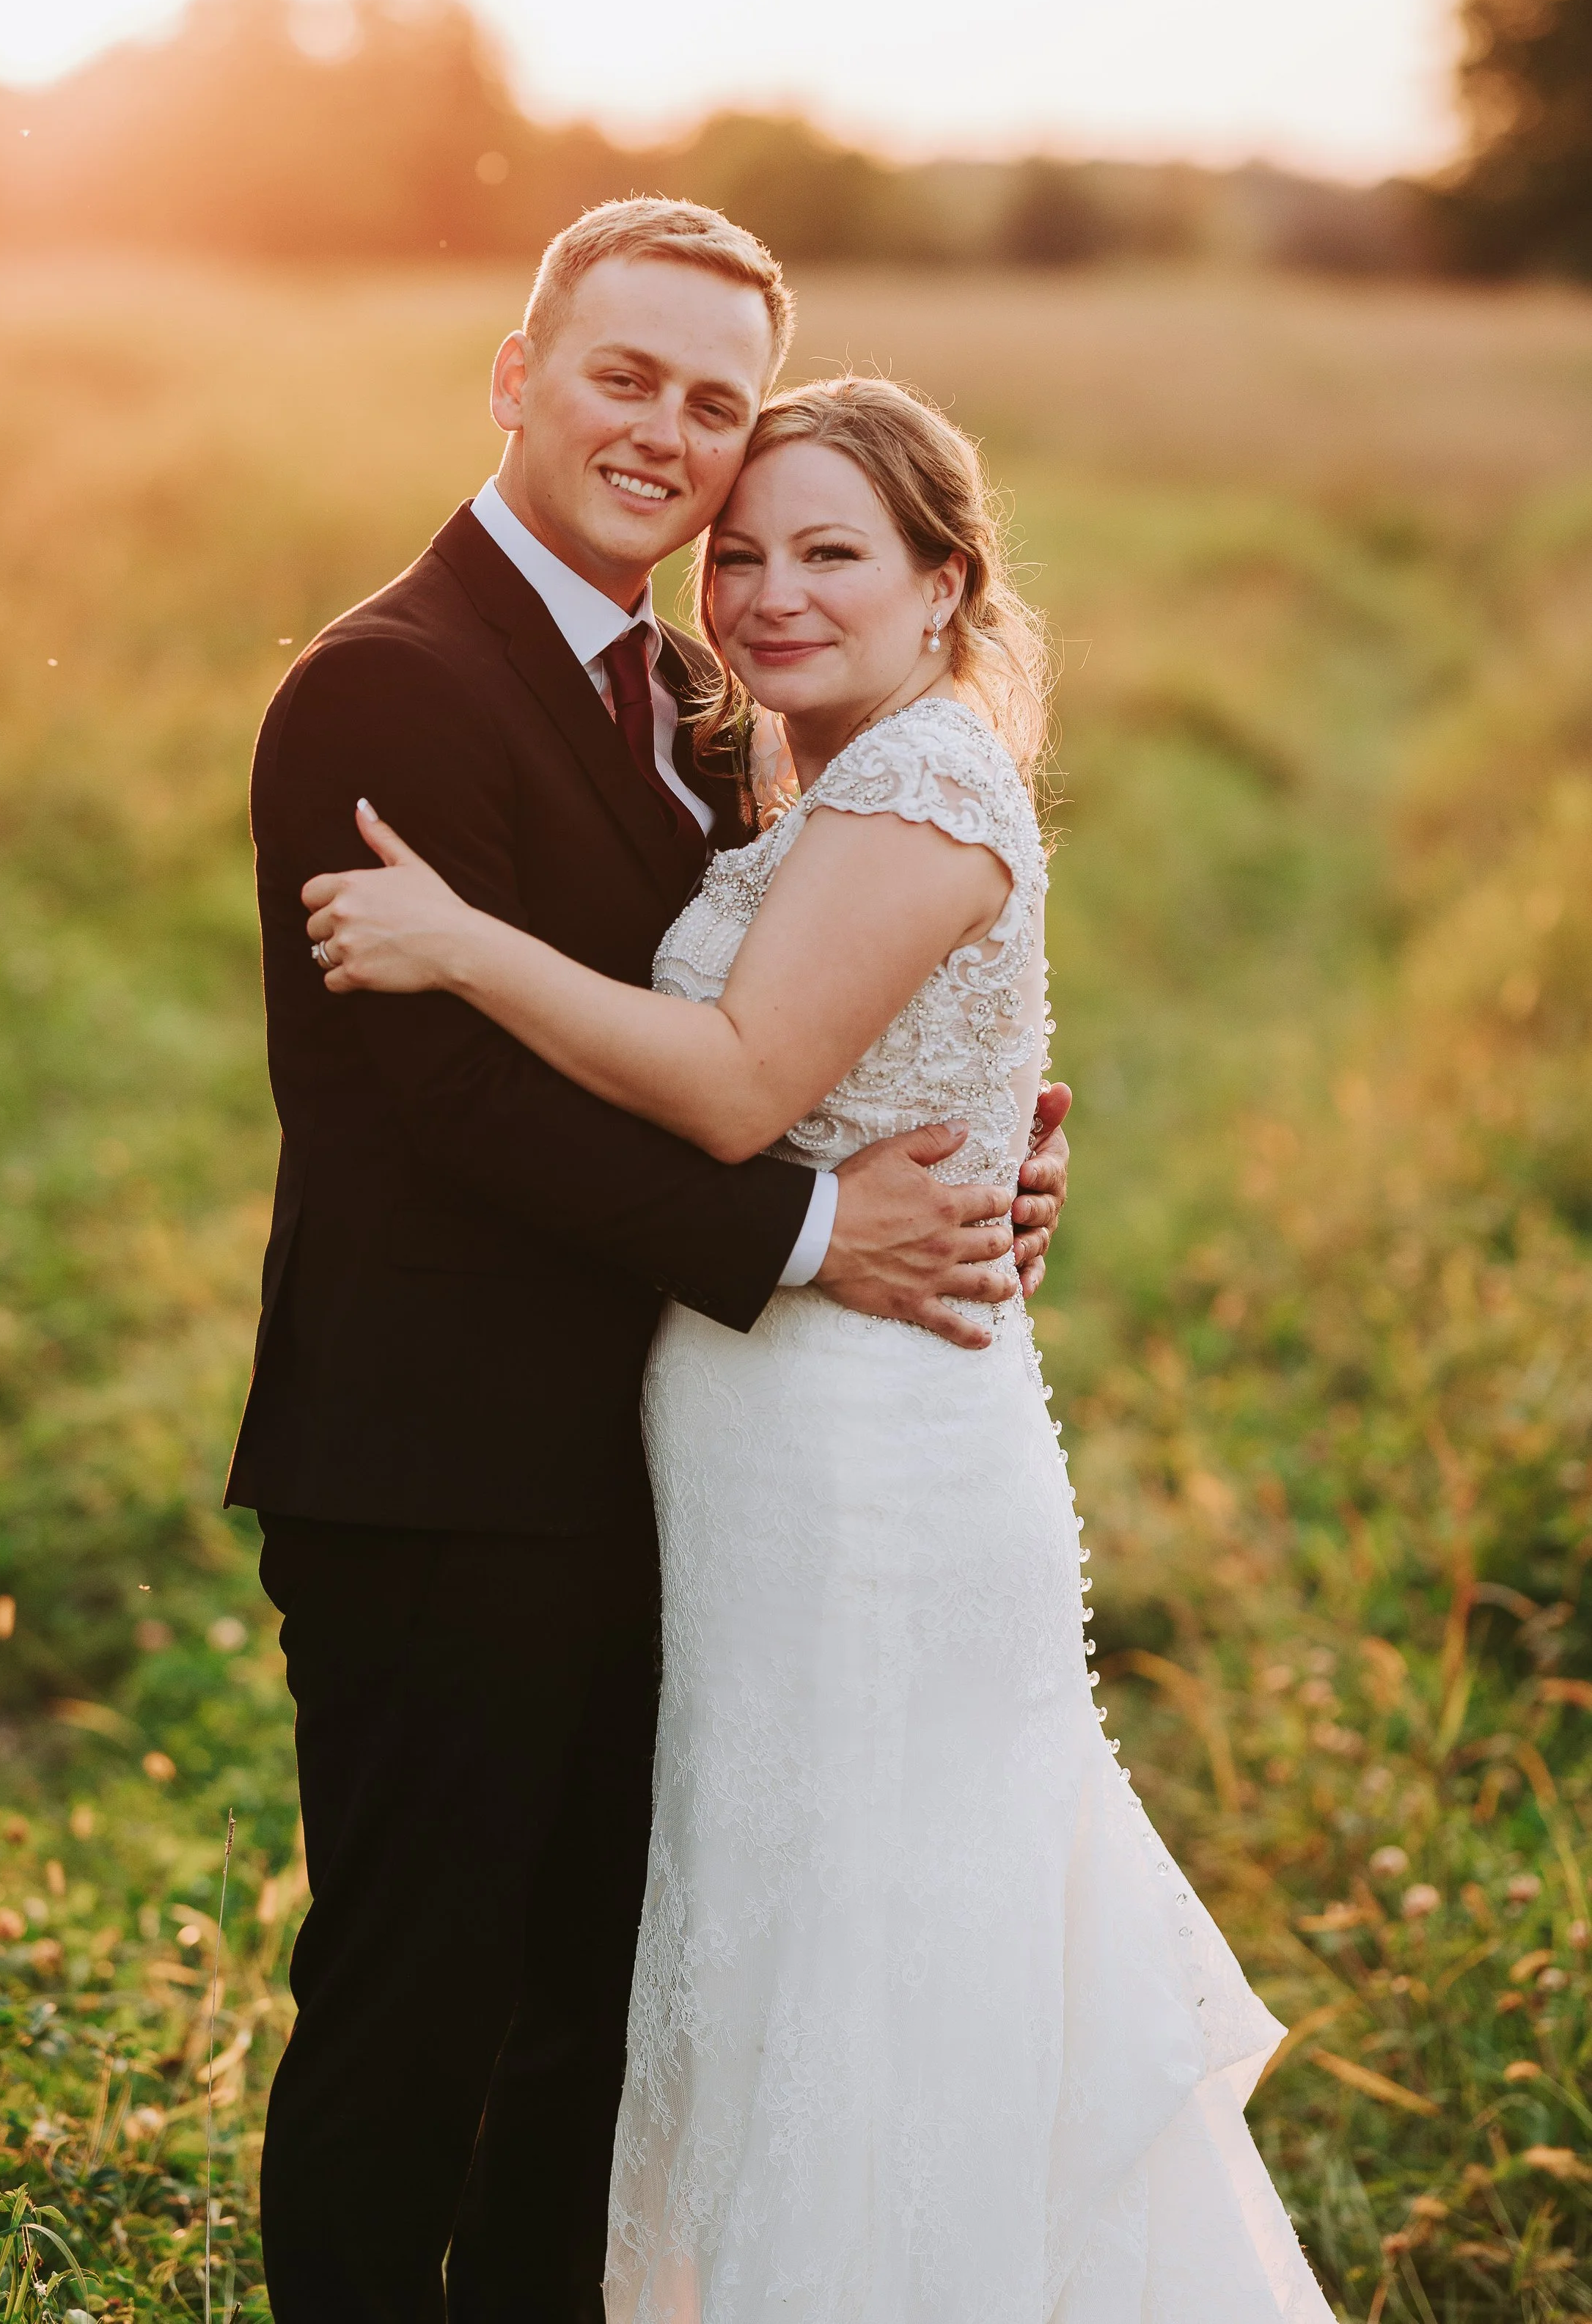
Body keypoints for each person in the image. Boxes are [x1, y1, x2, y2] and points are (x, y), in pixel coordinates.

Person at [307, 375, 1334, 2322]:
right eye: (744, 551)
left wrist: (456, 940)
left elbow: (738, 1081)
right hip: (774, 1432)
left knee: (875, 1946)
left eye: (831, 553)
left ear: (948, 582)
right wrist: (1011, 1114)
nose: (769, 592)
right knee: (791, 1932)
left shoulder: (927, 774)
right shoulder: (813, 762)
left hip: (866, 1451)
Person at [226, 199, 1072, 2323]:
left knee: (596, 2031)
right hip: (437, 1469)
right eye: (624, 375)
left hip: (660, 1465)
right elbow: (450, 1108)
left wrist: (967, 1150)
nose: (667, 434)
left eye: (713, 401)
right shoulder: (386, 689)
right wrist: (811, 1226)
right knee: (417, 2011)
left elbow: (814, 985)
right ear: (515, 374)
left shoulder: (691, 687)